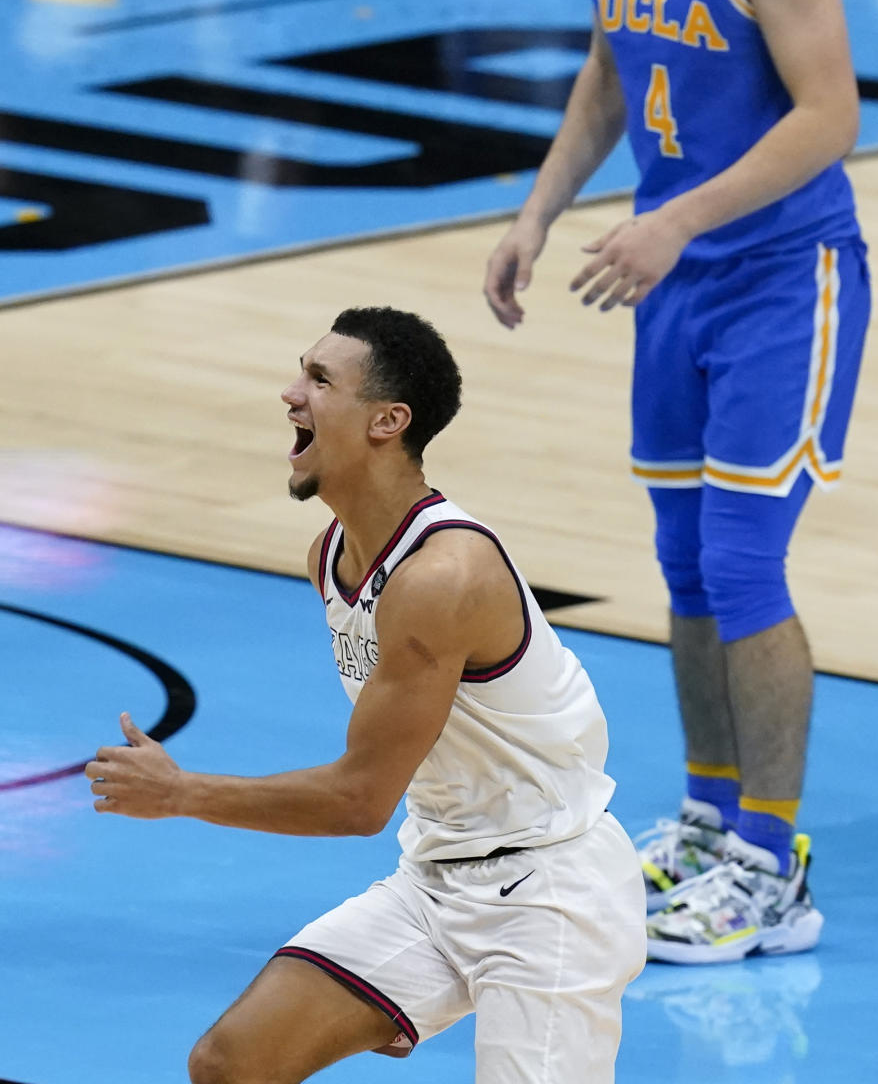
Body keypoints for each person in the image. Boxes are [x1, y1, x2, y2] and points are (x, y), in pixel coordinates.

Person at [484, 0, 870, 964]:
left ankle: (772, 860)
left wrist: (674, 220)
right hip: (675, 279)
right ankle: (709, 820)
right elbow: (612, 66)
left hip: (781, 276)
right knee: (688, 567)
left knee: (748, 563)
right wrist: (540, 213)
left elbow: (829, 118)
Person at [86, 305, 647, 1081]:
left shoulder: (442, 578)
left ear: (388, 420)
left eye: (319, 379)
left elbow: (358, 802)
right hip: (439, 874)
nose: (291, 393)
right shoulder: (332, 554)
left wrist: (183, 793)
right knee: (233, 1062)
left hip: (550, 895)